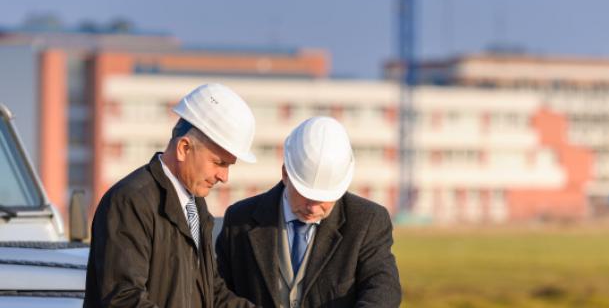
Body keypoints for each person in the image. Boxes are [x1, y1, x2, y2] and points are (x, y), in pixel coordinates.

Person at [85, 84, 257, 308]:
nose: (224, 176)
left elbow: (211, 293)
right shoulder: (131, 202)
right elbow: (123, 299)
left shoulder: (196, 207)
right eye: (218, 163)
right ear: (184, 148)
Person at [216, 116, 401, 308]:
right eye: (305, 194)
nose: (313, 207)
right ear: (286, 173)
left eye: (324, 199)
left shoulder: (368, 221)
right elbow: (219, 292)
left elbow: (384, 289)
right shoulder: (239, 220)